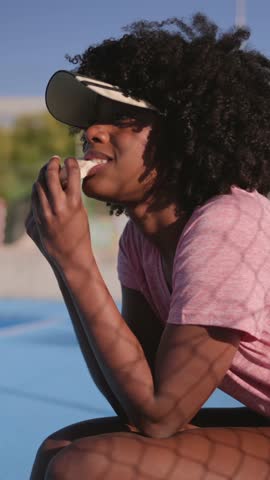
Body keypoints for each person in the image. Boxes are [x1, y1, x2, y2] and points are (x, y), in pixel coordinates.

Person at [26, 13, 270, 480]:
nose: (92, 133)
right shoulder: (140, 240)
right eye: (93, 121)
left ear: (183, 135)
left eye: (122, 117)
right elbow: (132, 392)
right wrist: (62, 260)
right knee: (58, 447)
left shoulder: (226, 223)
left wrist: (75, 261)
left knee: (84, 467)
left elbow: (159, 415)